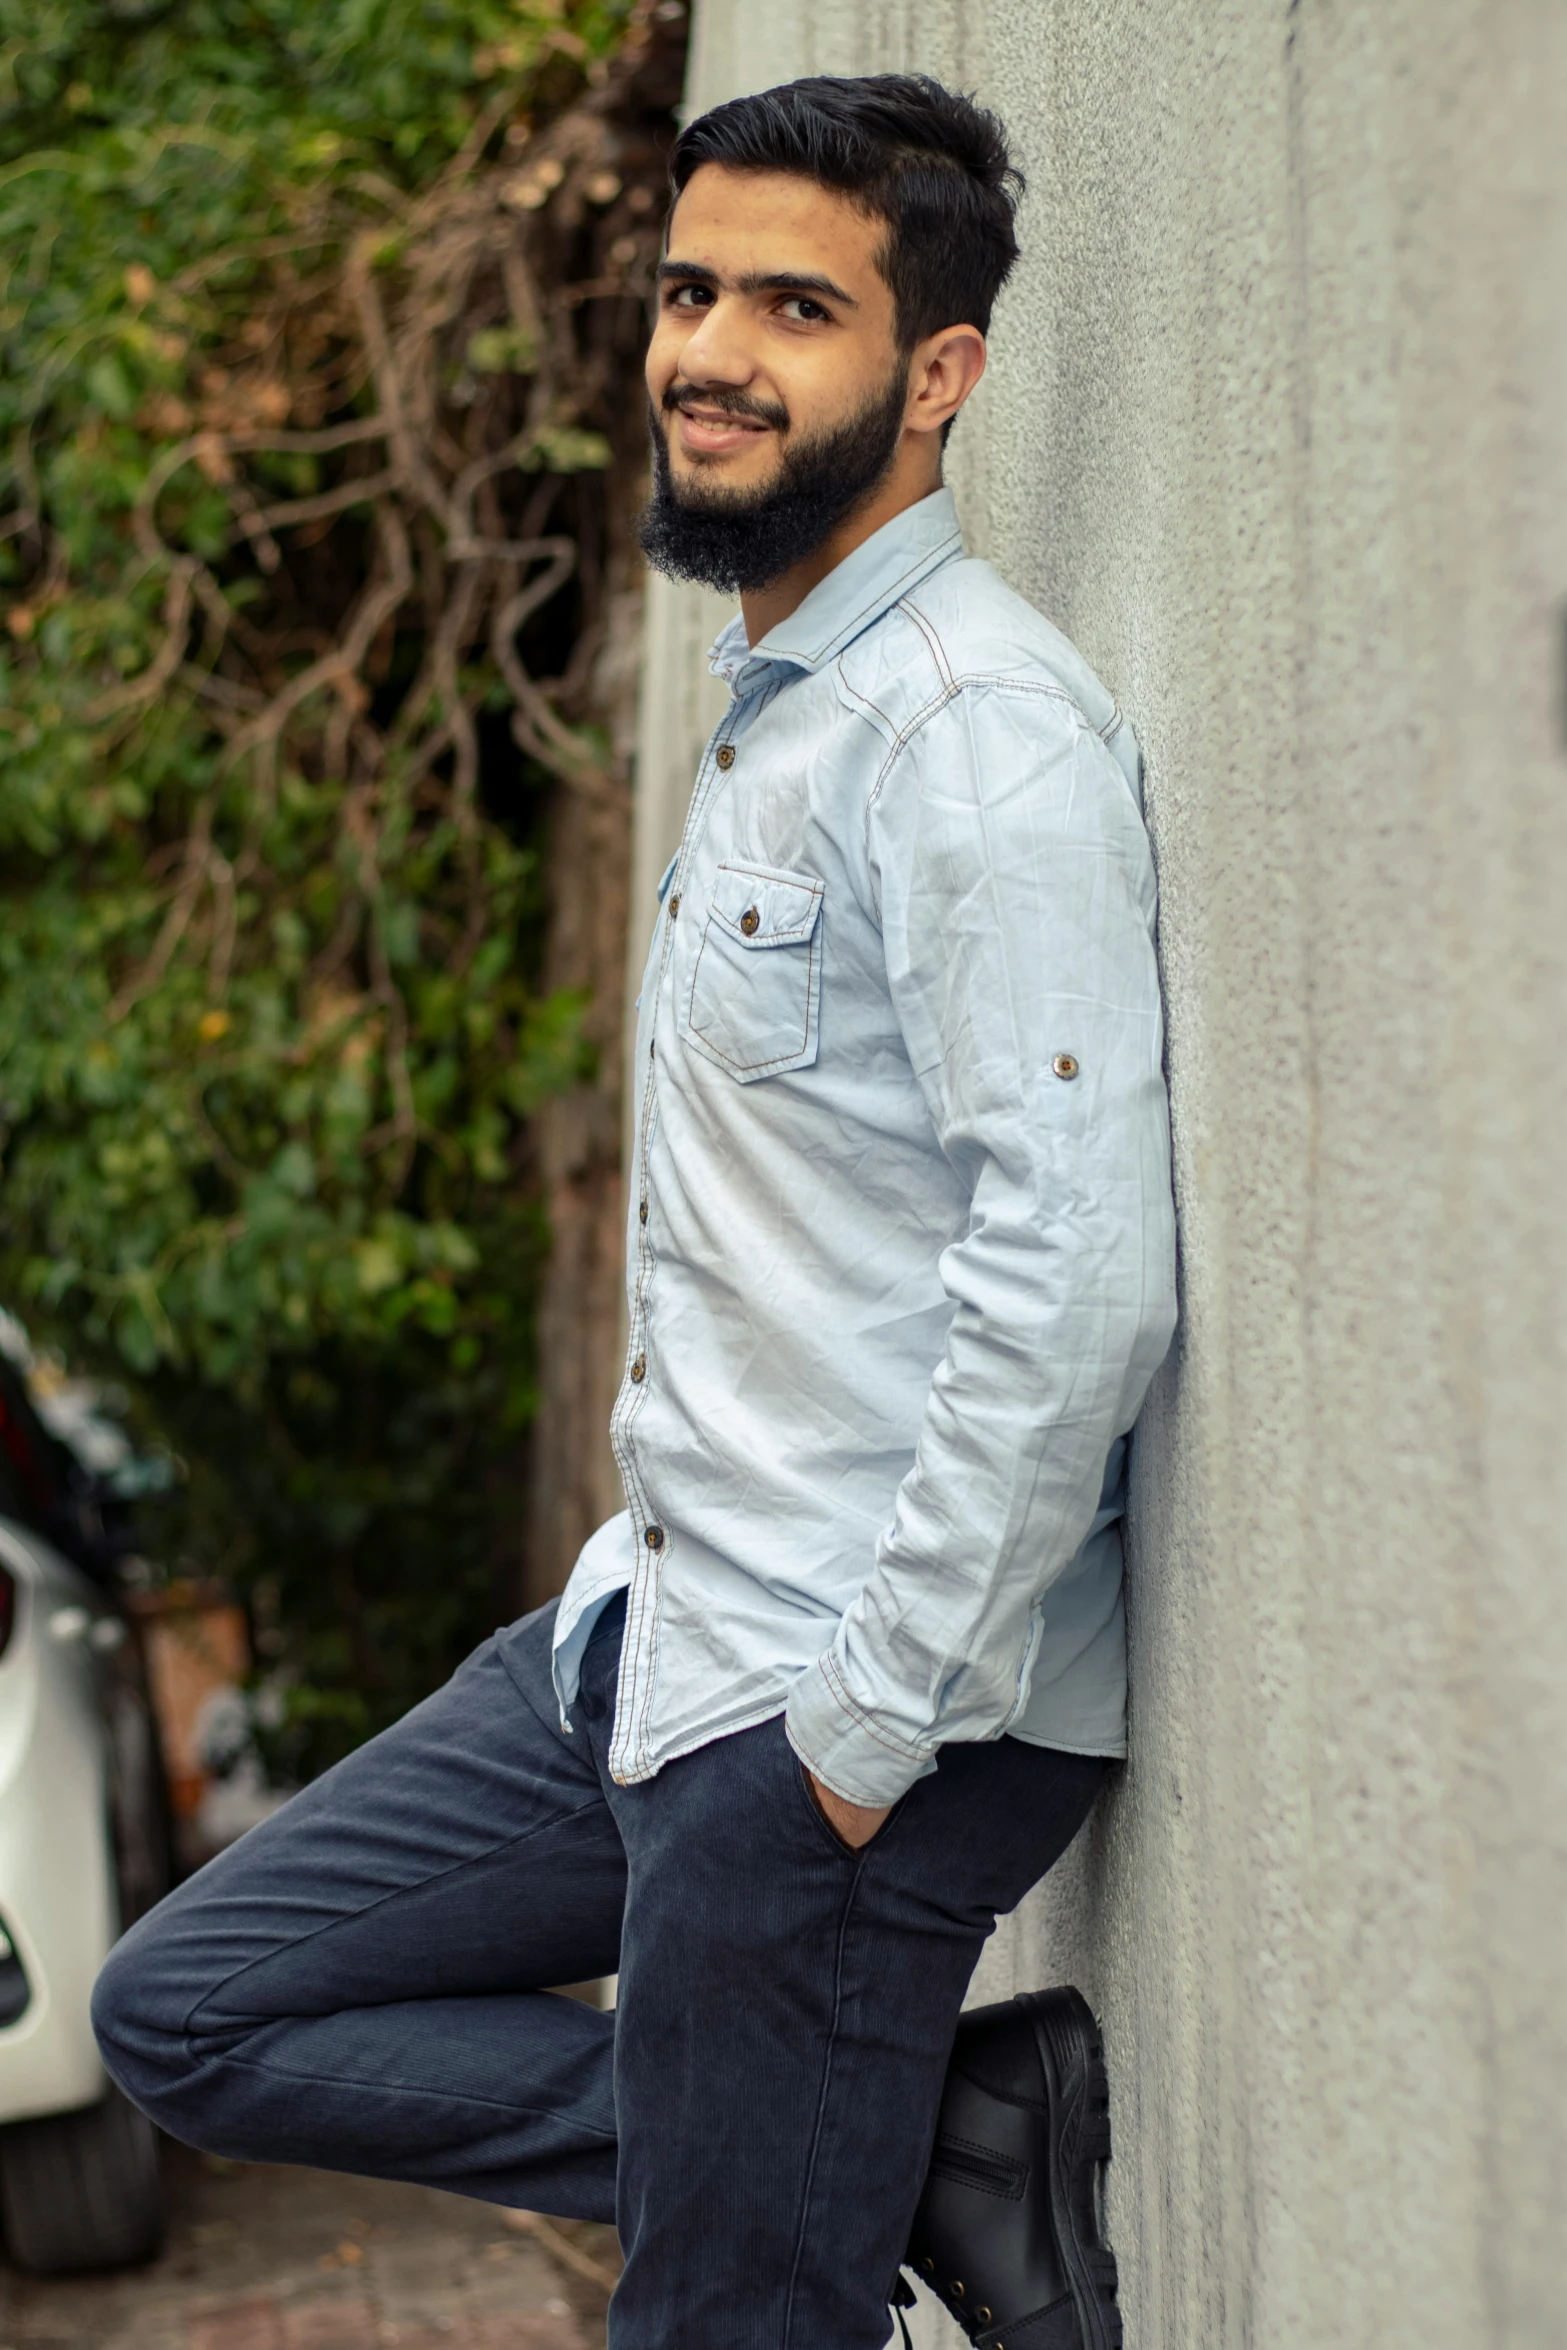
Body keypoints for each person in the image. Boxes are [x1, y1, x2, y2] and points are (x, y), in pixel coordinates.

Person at [93, 74, 1176, 2350]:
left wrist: (861, 1734)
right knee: (192, 2008)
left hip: (842, 1703)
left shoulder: (967, 735)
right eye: (693, 291)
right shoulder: (781, 708)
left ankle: (820, 2147)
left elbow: (1075, 1272)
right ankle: (901, 2134)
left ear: (940, 372)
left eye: (799, 305)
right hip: (650, 1632)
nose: (710, 350)